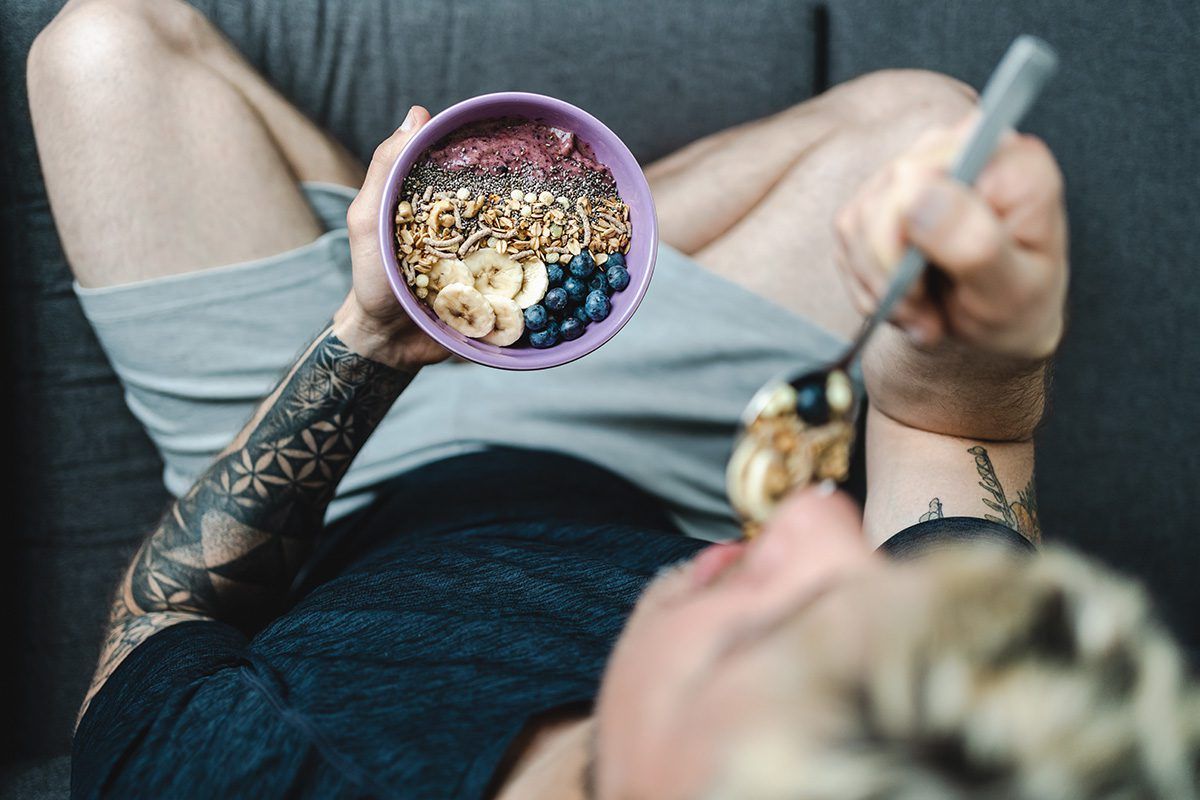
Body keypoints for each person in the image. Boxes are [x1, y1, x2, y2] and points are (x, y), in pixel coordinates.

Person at [26, 1, 1198, 798]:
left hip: (322, 479)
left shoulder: (261, 775)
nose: (820, 518)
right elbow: (955, 427)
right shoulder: (958, 706)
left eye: (778, 619)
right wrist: (987, 343)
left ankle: (469, 260)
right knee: (933, 137)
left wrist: (376, 330)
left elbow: (163, 625)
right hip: (656, 444)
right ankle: (528, 264)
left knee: (100, 42)